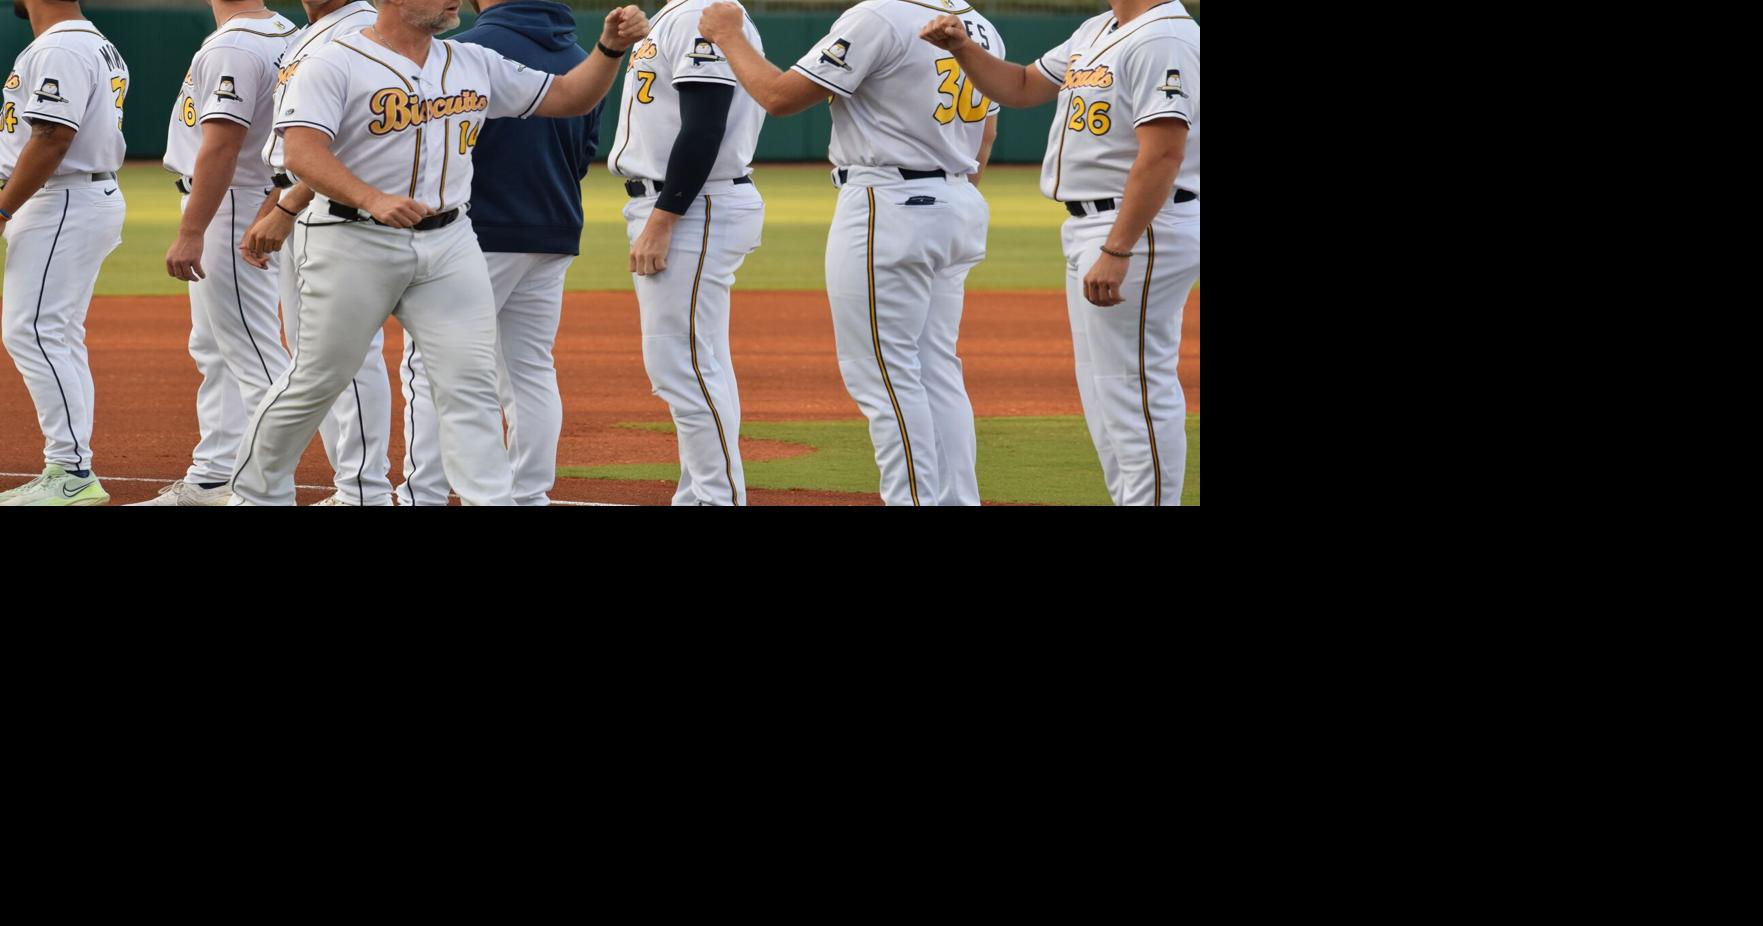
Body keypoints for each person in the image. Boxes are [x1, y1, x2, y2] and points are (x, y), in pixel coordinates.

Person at [227, 0, 649, 505]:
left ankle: (489, 499)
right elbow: (301, 151)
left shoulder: (471, 60)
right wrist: (371, 197)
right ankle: (256, 493)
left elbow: (570, 96)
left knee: (469, 384)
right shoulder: (333, 61)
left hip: (451, 240)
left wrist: (609, 50)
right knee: (318, 379)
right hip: (351, 237)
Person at [699, 0, 1002, 507]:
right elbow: (987, 134)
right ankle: (953, 499)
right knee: (936, 370)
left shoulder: (878, 16)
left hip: (889, 199)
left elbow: (779, 98)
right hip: (958, 197)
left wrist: (730, 37)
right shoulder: (978, 23)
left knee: (883, 373)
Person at [921, 0, 1199, 506]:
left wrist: (1119, 246)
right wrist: (962, 49)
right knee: (1104, 394)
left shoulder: (1164, 37)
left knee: (1132, 390)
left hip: (1137, 223)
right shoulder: (1100, 28)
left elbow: (1164, 152)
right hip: (1096, 222)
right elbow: (1023, 86)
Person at [397, 0, 605, 507]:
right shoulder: (582, 54)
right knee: (529, 369)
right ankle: (528, 494)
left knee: (431, 366)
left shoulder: (462, 52)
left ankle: (422, 493)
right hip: (554, 227)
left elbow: (438, 146)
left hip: (478, 233)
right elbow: (585, 151)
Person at [132, 0, 299, 506]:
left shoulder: (234, 43)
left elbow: (223, 145)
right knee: (218, 348)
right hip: (256, 194)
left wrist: (191, 230)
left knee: (253, 353)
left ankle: (269, 489)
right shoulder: (282, 29)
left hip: (231, 199)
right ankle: (214, 477)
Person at [608, 0, 766, 506]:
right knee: (702, 362)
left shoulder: (702, 11)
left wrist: (665, 217)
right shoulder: (679, 13)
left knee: (681, 363)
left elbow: (704, 123)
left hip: (693, 203)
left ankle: (719, 499)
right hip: (691, 201)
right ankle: (701, 494)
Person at [236, 0, 390, 507]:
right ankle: (352, 488)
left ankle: (363, 490)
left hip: (334, 204)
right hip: (299, 196)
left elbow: (350, 139)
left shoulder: (361, 28)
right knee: (316, 354)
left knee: (349, 352)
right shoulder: (315, 30)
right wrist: (274, 204)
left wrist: (286, 207)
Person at [0, 0, 128, 507]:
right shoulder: (87, 40)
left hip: (62, 197)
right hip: (70, 196)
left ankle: (72, 471)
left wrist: (4, 209)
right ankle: (71, 465)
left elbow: (53, 136)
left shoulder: (61, 45)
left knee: (31, 330)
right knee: (54, 333)